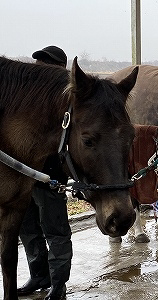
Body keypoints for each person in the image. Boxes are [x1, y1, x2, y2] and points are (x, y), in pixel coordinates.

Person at [17, 46, 72, 300]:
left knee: (55, 230)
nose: (39, 67)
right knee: (28, 228)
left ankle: (58, 284)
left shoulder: (65, 101)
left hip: (51, 178)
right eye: (37, 63)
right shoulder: (29, 98)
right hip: (25, 176)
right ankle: (39, 275)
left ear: (60, 70)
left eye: (45, 64)